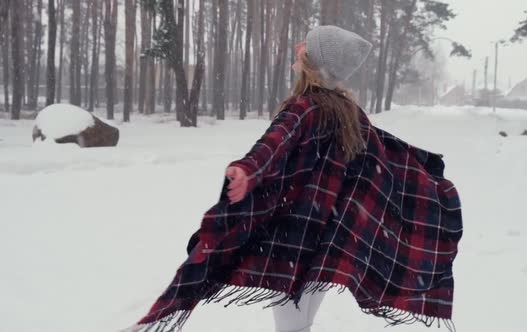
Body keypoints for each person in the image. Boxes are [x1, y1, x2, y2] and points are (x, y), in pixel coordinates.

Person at [126, 26, 463, 332]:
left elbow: (274, 141)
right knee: (299, 325)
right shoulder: (348, 112)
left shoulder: (304, 108)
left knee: (291, 325)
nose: (298, 45)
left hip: (294, 239)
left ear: (314, 63)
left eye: (306, 45)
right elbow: (382, 156)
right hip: (326, 242)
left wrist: (248, 169)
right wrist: (426, 172)